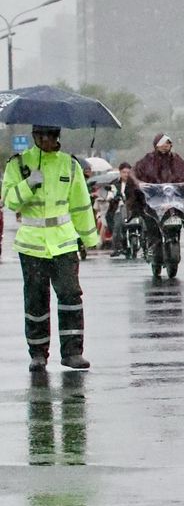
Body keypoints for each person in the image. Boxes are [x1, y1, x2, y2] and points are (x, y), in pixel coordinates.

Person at [3, 126, 101, 371]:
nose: (45, 140)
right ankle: (38, 353)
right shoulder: (18, 164)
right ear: (34, 137)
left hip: (64, 242)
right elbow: (9, 200)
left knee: (70, 295)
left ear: (57, 137)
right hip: (32, 244)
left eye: (50, 136)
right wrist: (28, 184)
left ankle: (72, 352)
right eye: (40, 136)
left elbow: (80, 204)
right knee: (36, 299)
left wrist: (89, 239)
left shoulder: (70, 165)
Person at [130, 133, 184, 270]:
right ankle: (153, 247)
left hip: (173, 201)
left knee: (177, 217)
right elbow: (136, 175)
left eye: (168, 143)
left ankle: (172, 242)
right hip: (153, 203)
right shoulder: (147, 160)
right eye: (162, 143)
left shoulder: (178, 160)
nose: (165, 145)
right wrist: (142, 185)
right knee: (151, 223)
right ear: (155, 145)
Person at [106, 162, 134, 256]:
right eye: (124, 172)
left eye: (128, 172)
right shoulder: (114, 184)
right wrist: (113, 198)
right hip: (119, 208)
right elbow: (110, 195)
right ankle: (117, 248)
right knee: (117, 226)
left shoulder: (135, 183)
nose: (126, 174)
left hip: (134, 208)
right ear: (120, 172)